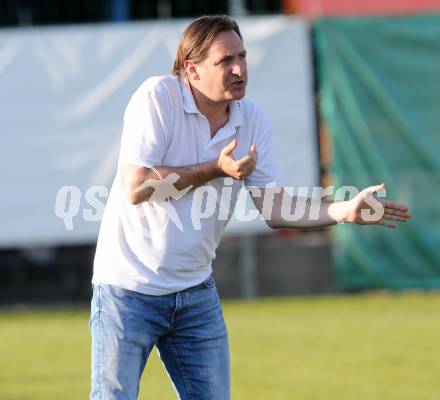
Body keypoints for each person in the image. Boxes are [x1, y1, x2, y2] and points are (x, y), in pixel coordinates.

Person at [90, 15, 410, 400]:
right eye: (225, 61)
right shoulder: (158, 97)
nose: (239, 68)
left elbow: (275, 210)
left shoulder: (251, 119)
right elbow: (137, 186)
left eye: (242, 56)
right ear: (192, 69)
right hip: (127, 289)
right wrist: (214, 168)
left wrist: (343, 211)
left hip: (194, 292)